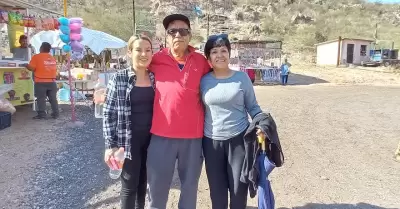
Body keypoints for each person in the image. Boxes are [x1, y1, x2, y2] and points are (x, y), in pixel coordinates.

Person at [146, 14, 210, 209]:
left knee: (190, 187)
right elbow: (135, 70)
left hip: (193, 136)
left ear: (189, 36)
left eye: (183, 31)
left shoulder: (201, 62)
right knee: (157, 187)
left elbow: (220, 79)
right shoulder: (155, 59)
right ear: (166, 36)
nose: (177, 35)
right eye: (172, 31)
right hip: (161, 135)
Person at [200, 34, 263, 209]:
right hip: (211, 143)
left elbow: (253, 107)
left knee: (238, 192)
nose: (219, 55)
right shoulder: (203, 81)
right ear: (208, 57)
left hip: (239, 142)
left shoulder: (241, 78)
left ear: (229, 53)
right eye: (214, 52)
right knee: (217, 195)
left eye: (223, 51)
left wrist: (261, 125)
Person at [103, 35, 155, 209]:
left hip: (152, 140)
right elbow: (108, 113)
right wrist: (111, 145)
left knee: (144, 183)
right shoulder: (119, 78)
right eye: (139, 49)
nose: (144, 54)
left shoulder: (155, 77)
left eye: (148, 50)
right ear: (129, 52)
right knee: (129, 186)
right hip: (128, 141)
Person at [26, 42, 59, 119]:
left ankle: (42, 114)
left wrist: (26, 66)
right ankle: (56, 113)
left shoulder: (36, 57)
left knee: (41, 99)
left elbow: (31, 68)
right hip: (52, 82)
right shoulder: (52, 58)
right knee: (53, 99)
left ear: (41, 48)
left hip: (40, 81)